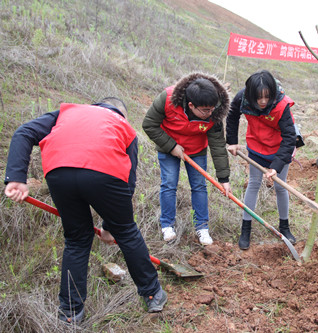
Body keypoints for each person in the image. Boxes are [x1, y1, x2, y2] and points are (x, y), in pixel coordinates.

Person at [4, 98, 167, 324]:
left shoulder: (67, 112)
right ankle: (152, 294)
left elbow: (24, 132)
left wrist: (16, 178)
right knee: (127, 232)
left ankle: (70, 312)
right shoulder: (124, 126)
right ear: (122, 114)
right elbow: (128, 182)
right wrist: (111, 228)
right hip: (105, 172)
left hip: (58, 171)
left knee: (77, 239)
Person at [142, 72, 231, 246]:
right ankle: (167, 225)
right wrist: (171, 146)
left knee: (199, 185)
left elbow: (218, 146)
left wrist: (224, 178)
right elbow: (149, 124)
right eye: (205, 110)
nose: (210, 113)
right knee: (169, 183)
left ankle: (202, 227)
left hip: (196, 149)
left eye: (212, 109)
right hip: (169, 145)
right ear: (191, 105)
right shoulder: (167, 99)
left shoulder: (215, 110)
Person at [226, 70, 297, 250]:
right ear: (251, 95)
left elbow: (290, 138)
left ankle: (285, 227)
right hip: (256, 146)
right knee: (254, 183)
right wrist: (232, 142)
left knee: (281, 187)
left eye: (267, 97)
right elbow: (232, 115)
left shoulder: (282, 105)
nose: (263, 101)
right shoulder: (242, 98)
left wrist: (276, 166)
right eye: (259, 97)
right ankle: (246, 229)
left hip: (280, 148)